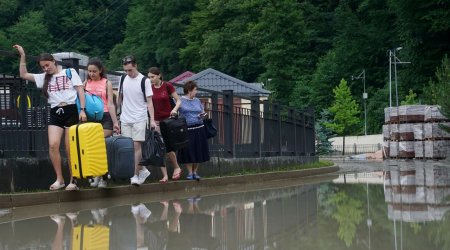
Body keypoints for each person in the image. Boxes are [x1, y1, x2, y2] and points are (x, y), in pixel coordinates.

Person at [13, 44, 86, 191]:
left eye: (47, 65)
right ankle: (60, 179)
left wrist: (82, 110)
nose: (46, 68)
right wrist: (23, 56)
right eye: (43, 67)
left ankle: (74, 179)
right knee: (53, 145)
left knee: (69, 147)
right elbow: (24, 75)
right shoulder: (44, 77)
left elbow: (80, 90)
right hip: (54, 111)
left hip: (71, 109)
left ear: (53, 61)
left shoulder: (69, 72)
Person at [118, 56, 156, 186]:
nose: (128, 73)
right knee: (127, 148)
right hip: (125, 117)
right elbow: (120, 97)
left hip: (139, 117)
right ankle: (143, 169)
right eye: (126, 70)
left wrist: (152, 120)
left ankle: (135, 174)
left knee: (136, 146)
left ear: (135, 66)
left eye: (130, 70)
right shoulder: (123, 78)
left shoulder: (144, 80)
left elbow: (150, 102)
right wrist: (118, 116)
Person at [84, 58, 120, 188]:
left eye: (94, 71)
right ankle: (98, 175)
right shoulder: (85, 83)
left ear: (100, 71)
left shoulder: (107, 83)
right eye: (89, 71)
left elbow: (110, 104)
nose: (92, 74)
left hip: (105, 117)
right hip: (91, 118)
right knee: (94, 147)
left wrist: (115, 122)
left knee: (99, 142)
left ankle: (103, 176)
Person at [147, 67, 182, 183]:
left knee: (169, 147)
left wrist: (175, 110)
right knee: (159, 147)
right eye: (149, 77)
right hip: (156, 121)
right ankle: (165, 175)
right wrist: (151, 119)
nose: (151, 79)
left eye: (152, 76)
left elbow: (178, 100)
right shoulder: (150, 89)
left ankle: (176, 167)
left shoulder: (167, 86)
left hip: (168, 120)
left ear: (159, 76)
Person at [176, 81, 210, 180]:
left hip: (199, 128)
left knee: (199, 150)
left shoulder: (197, 101)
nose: (196, 91)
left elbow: (202, 111)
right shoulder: (180, 100)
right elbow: (175, 110)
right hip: (187, 129)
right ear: (189, 90)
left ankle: (195, 172)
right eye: (195, 90)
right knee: (188, 150)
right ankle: (190, 173)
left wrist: (203, 115)